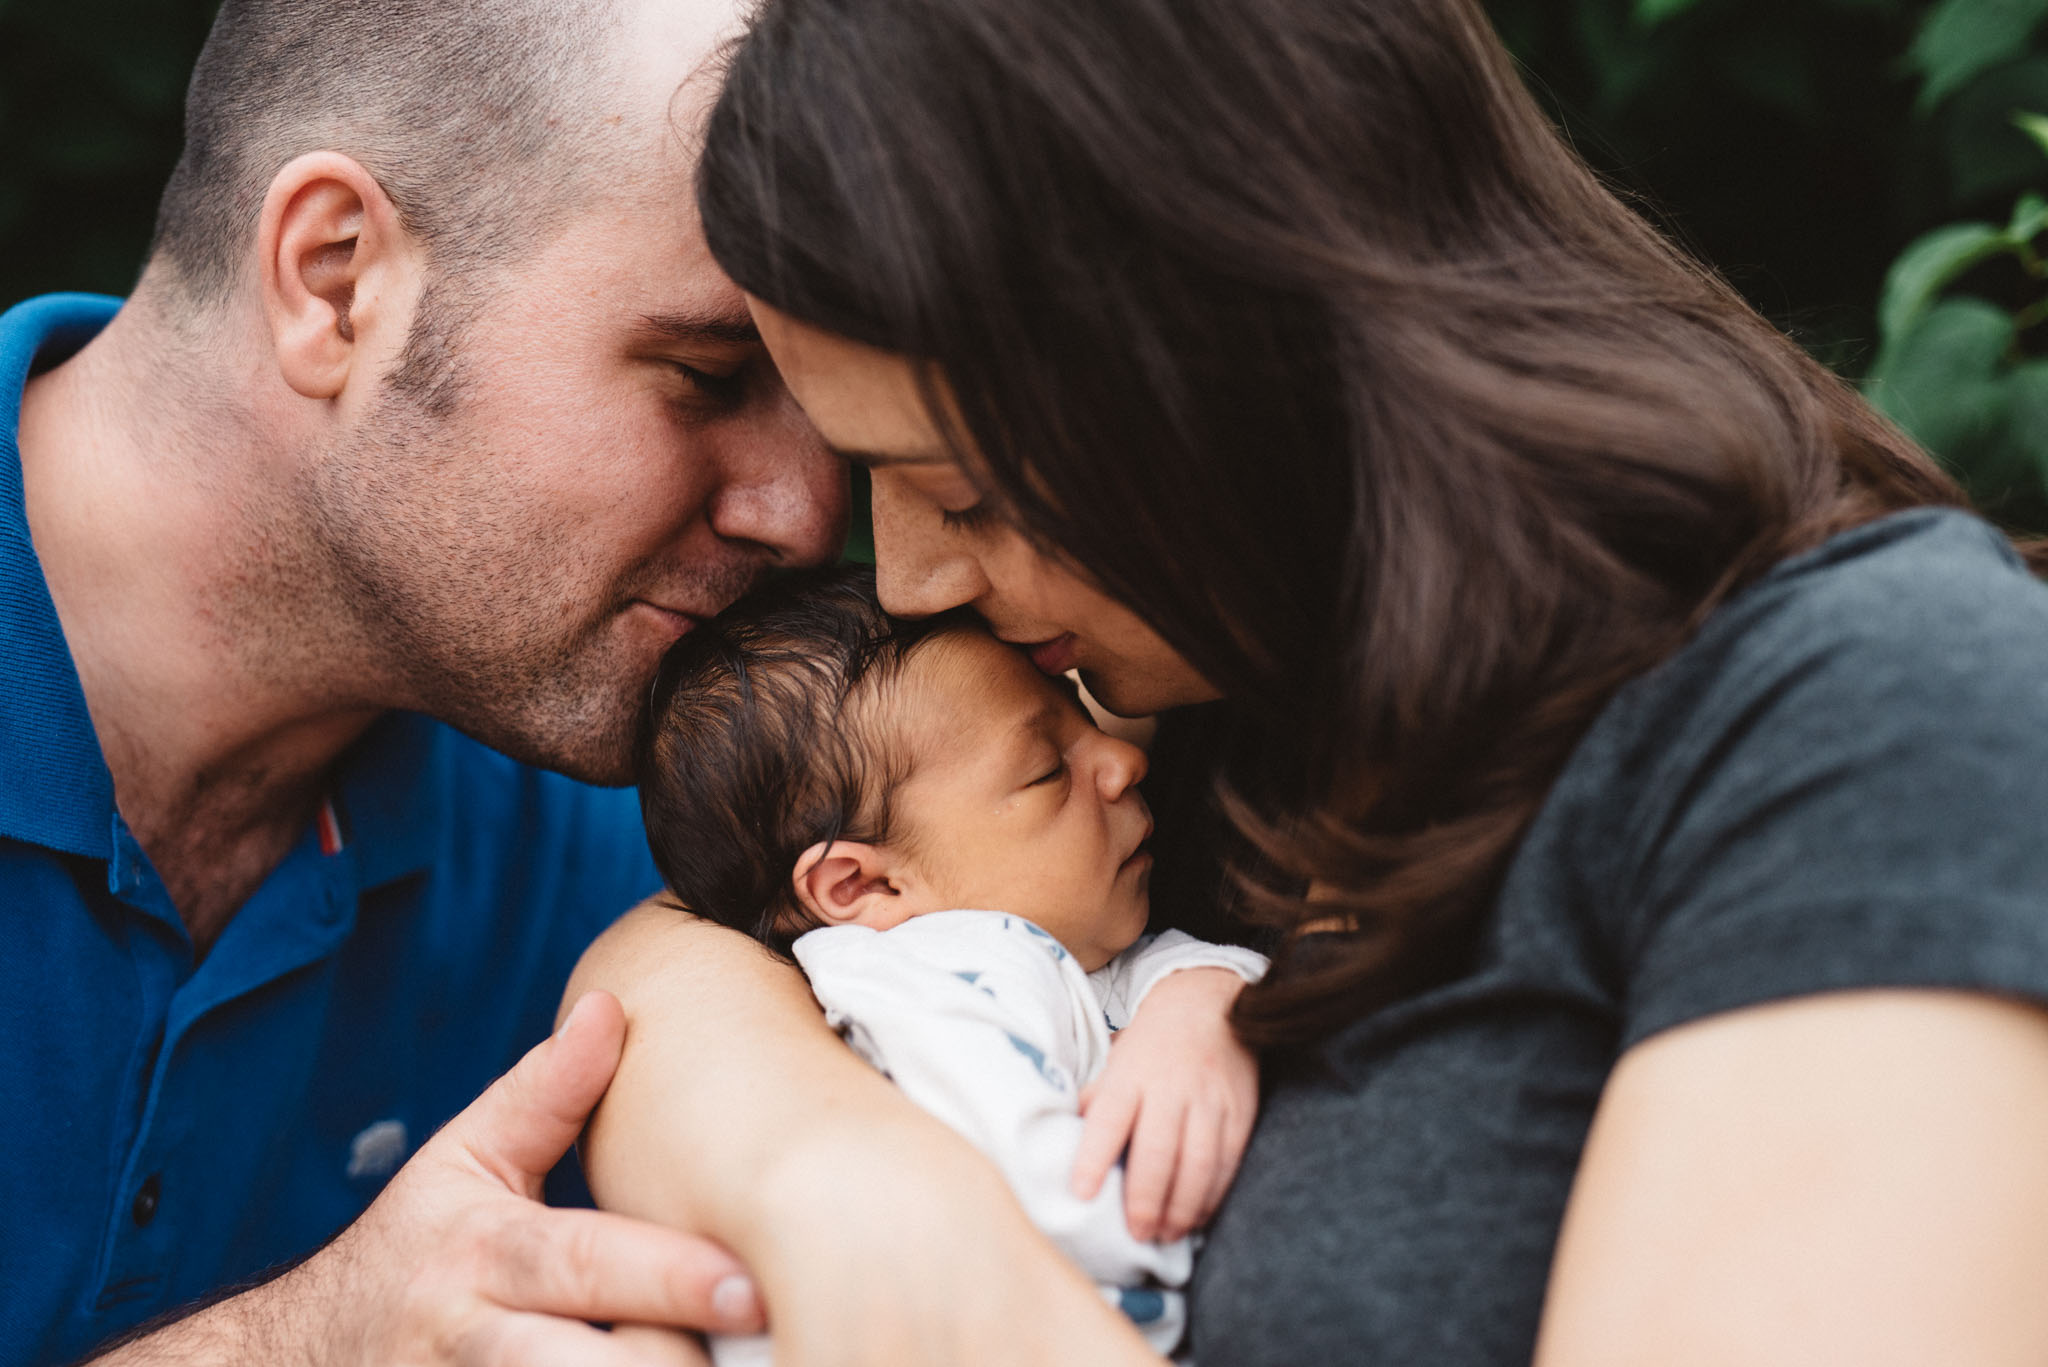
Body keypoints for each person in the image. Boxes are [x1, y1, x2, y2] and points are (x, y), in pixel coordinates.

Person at [571, 0, 2048, 1362]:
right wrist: (858, 1208)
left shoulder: (1849, 715)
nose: (910, 583)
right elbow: (692, 949)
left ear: (1241, 358)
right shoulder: (1191, 714)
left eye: (961, 490)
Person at [0, 0, 858, 1362]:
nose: (801, 513)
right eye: (705, 373)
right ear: (336, 278)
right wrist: (312, 1338)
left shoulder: (617, 821)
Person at [629, 565, 1268, 1362]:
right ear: (864, 883)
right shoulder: (936, 982)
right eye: (1045, 771)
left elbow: (1179, 969)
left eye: (1081, 720)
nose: (1120, 761)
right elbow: (1087, 1214)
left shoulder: (1065, 940)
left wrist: (1199, 1001)